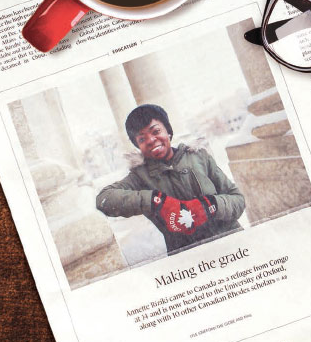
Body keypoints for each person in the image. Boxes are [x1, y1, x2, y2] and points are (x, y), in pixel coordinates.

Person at [95, 104, 245, 254]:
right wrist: (156, 201)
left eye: (156, 131)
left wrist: (211, 206)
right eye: (142, 139)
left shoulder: (199, 157)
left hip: (232, 243)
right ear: (138, 146)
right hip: (188, 258)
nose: (151, 140)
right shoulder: (140, 177)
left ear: (169, 132)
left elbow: (238, 199)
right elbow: (104, 200)